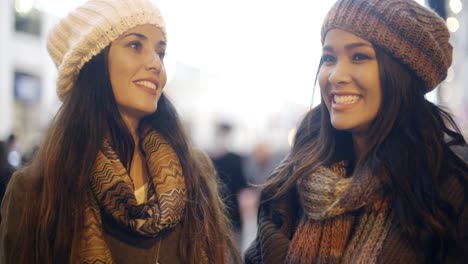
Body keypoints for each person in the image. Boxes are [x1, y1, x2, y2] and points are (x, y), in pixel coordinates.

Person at [0, 0, 239, 263]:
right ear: (94, 62)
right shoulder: (38, 189)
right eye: (136, 45)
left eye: (160, 52)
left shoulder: (193, 172)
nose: (156, 65)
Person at [245, 0, 468, 263]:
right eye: (329, 58)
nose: (336, 76)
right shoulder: (292, 178)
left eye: (359, 56)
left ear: (403, 74)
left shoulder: (446, 185)